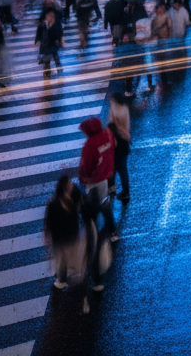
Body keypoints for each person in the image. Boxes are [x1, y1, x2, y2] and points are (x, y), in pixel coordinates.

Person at [78, 116, 117, 291]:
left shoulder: (90, 145)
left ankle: (93, 232)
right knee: (105, 202)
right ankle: (113, 230)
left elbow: (86, 166)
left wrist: (83, 178)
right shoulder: (107, 135)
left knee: (94, 207)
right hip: (106, 176)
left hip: (93, 181)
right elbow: (114, 145)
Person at [44, 176, 84, 291]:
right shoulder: (55, 203)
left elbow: (49, 222)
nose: (72, 185)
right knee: (64, 259)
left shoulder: (58, 201)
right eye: (69, 184)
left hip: (66, 236)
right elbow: (49, 222)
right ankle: (66, 277)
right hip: (64, 237)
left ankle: (63, 279)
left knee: (65, 258)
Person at [108, 95, 132, 202]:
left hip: (117, 142)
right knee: (123, 169)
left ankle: (113, 189)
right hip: (125, 141)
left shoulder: (115, 110)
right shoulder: (125, 108)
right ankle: (125, 191)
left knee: (115, 167)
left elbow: (110, 125)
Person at [36, 8, 64, 78]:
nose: (47, 18)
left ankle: (59, 68)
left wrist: (61, 42)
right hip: (46, 44)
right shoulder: (43, 24)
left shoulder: (56, 24)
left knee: (55, 56)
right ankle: (47, 72)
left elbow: (60, 34)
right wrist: (37, 40)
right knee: (47, 60)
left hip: (53, 44)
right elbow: (39, 32)